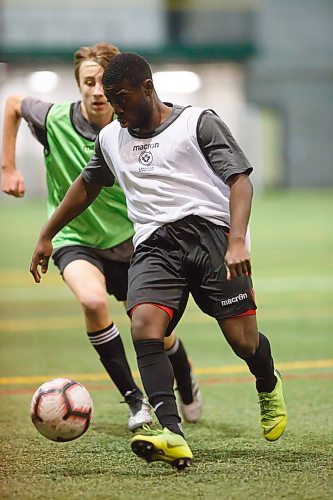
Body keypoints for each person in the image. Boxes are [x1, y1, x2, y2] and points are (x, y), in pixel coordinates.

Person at [29, 52, 287, 470]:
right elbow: (86, 184)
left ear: (147, 89)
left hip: (212, 238)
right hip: (154, 244)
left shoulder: (197, 123)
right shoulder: (113, 136)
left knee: (244, 342)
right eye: (111, 99)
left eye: (122, 97)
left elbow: (239, 180)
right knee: (145, 325)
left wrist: (236, 240)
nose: (116, 108)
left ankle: (267, 379)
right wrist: (47, 234)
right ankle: (170, 430)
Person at [1, 44, 202, 432]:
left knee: (158, 333)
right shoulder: (54, 119)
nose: (96, 91)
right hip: (76, 239)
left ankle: (186, 380)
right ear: (78, 85)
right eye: (88, 82)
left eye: (103, 84)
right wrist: (8, 167)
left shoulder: (133, 128)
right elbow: (12, 102)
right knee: (92, 301)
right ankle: (135, 400)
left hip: (131, 240)